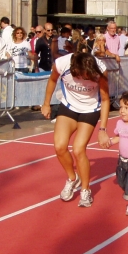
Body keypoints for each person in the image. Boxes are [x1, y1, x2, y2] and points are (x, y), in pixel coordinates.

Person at [41, 47, 111, 208]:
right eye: (82, 76)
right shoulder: (61, 64)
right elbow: (52, 80)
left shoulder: (100, 70)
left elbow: (106, 99)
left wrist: (103, 129)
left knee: (78, 149)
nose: (85, 79)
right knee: (59, 147)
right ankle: (73, 178)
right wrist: (46, 104)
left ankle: (85, 190)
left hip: (90, 109)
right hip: (68, 107)